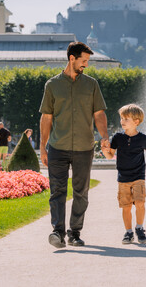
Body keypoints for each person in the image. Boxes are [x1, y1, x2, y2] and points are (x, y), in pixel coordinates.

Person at [40, 41, 109, 249]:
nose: (86, 65)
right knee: (57, 191)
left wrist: (104, 137)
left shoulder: (91, 84)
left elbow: (99, 114)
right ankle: (57, 232)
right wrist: (42, 146)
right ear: (72, 58)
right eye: (84, 60)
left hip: (84, 147)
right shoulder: (52, 85)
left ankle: (74, 232)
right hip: (57, 147)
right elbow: (46, 117)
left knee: (81, 192)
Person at [102, 104, 146, 244]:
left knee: (140, 202)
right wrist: (105, 150)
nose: (122, 121)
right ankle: (128, 232)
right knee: (126, 206)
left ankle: (139, 228)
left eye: (126, 119)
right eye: (121, 118)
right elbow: (110, 156)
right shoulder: (118, 137)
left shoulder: (143, 138)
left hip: (138, 176)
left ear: (136, 122)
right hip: (123, 177)